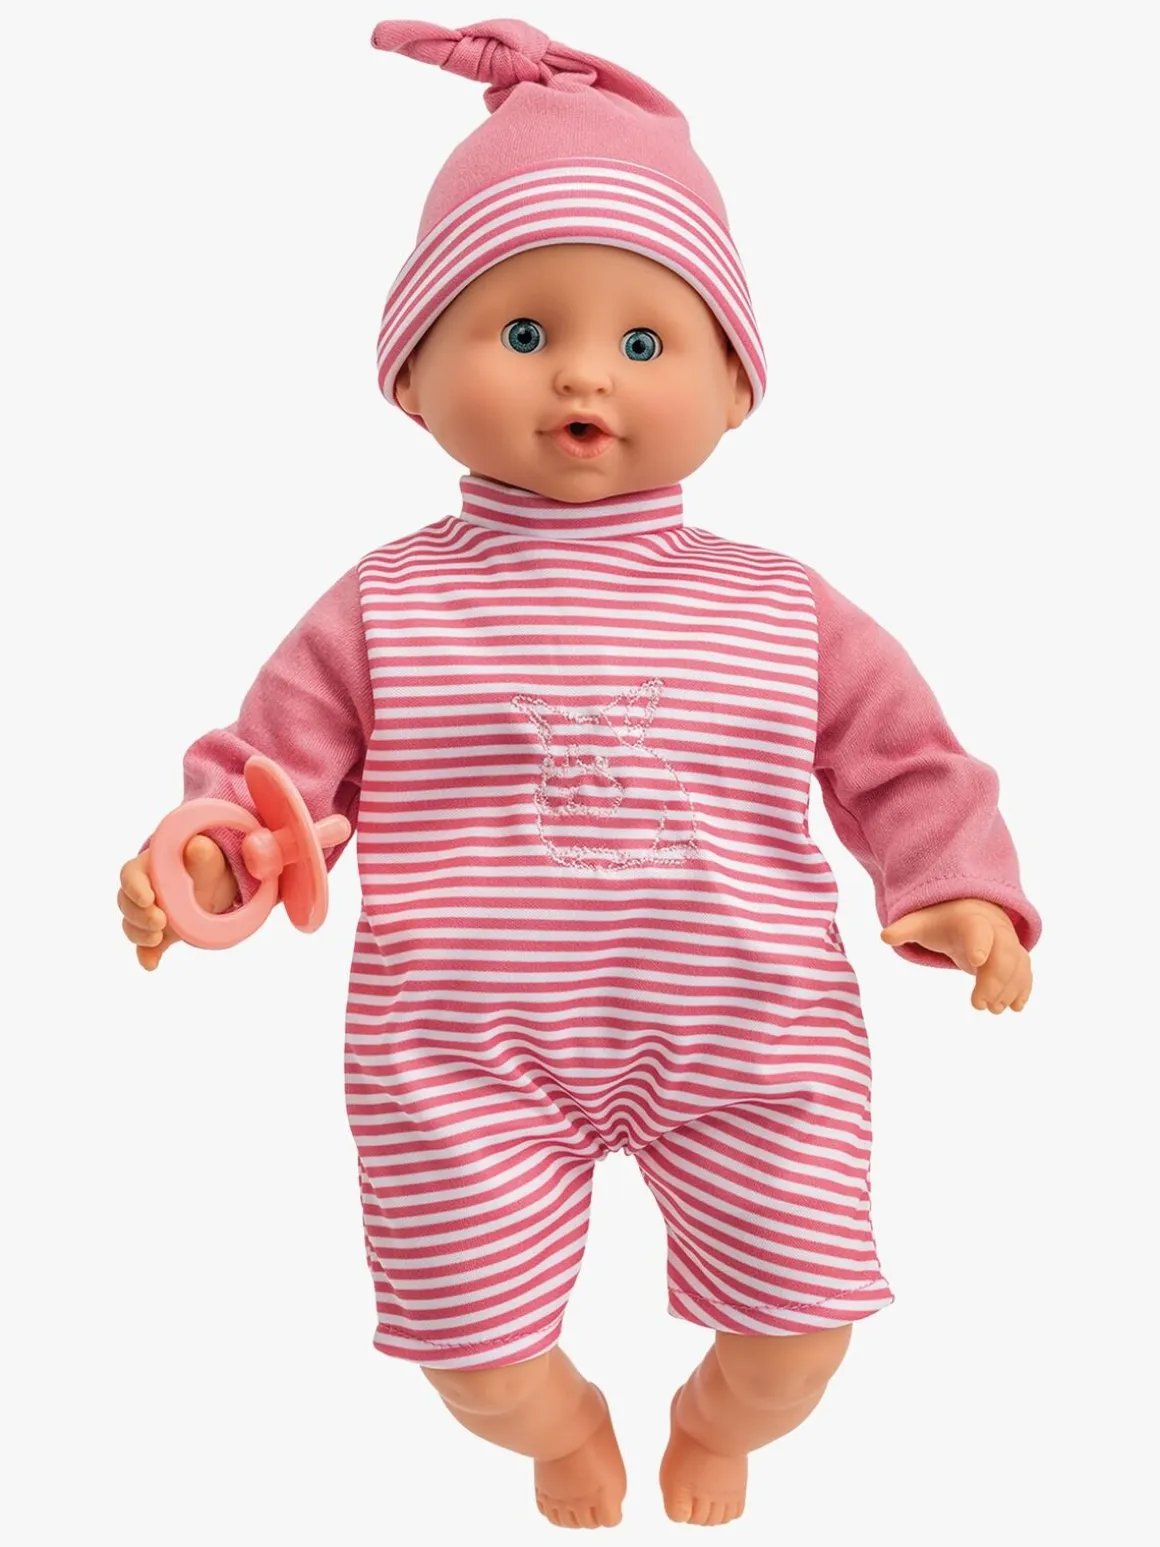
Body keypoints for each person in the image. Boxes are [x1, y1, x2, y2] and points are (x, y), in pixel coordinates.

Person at [117, 19, 1040, 1529]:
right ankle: (559, 1430)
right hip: (459, 1047)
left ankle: (714, 1417)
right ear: (411, 377)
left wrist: (956, 888)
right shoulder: (387, 603)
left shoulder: (782, 605)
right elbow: (272, 772)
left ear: (736, 389)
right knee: (476, 1363)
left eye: (646, 342)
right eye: (524, 332)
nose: (584, 376)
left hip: (752, 1029)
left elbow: (905, 760)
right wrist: (211, 855)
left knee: (801, 1343)